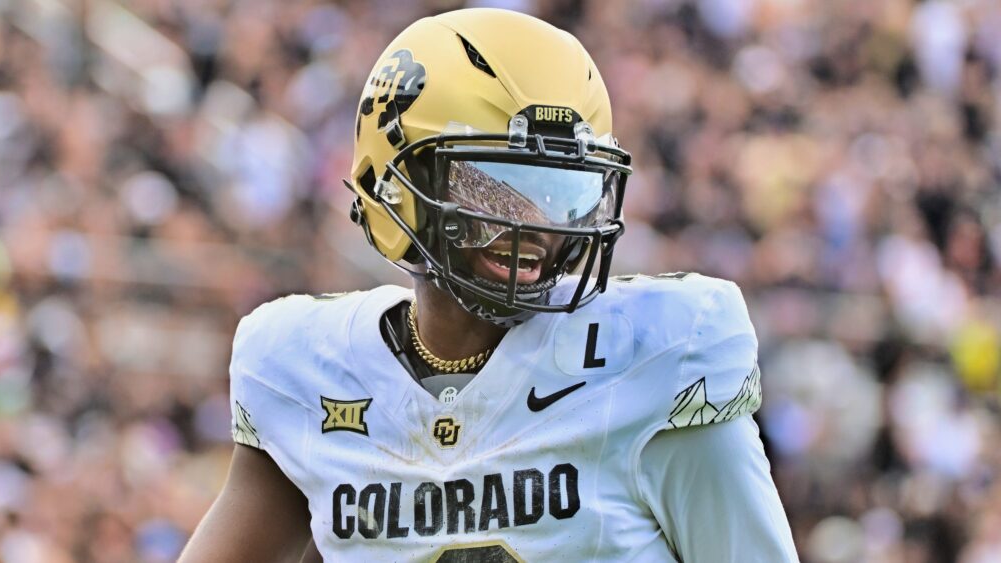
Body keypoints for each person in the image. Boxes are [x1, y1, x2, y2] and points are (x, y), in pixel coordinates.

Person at [180, 8, 799, 562]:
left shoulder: (659, 357)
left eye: (563, 192)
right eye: (492, 185)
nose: (534, 226)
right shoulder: (304, 371)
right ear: (396, 182)